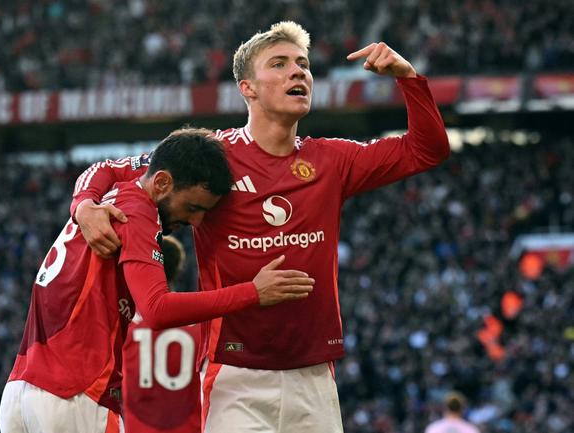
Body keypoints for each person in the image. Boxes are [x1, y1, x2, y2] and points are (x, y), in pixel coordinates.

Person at [71, 21, 450, 433]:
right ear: (247, 88)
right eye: (280, 64)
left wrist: (407, 78)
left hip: (314, 377)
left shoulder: (332, 160)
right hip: (236, 376)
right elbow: (109, 167)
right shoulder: (211, 158)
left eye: (303, 64)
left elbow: (426, 150)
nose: (298, 72)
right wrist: (83, 206)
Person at [0, 127, 315, 433]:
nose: (196, 222)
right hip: (76, 397)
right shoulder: (137, 212)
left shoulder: (118, 194)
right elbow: (157, 308)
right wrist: (253, 293)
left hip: (21, 393)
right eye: (193, 207)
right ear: (162, 183)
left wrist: (81, 203)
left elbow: (104, 167)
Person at [123, 235, 202, 433]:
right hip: (190, 427)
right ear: (178, 270)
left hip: (138, 428)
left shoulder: (126, 326)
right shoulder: (200, 324)